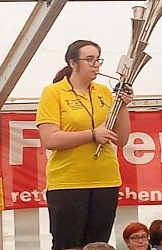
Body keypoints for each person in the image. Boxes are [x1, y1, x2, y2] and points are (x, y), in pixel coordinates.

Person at [36, 40, 134, 250]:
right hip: (68, 182)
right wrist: (91, 134)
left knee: (98, 244)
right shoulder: (53, 92)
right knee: (67, 245)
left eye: (98, 59)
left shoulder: (104, 92)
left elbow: (122, 139)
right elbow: (50, 139)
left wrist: (123, 106)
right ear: (72, 62)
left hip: (105, 180)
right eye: (89, 59)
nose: (95, 64)